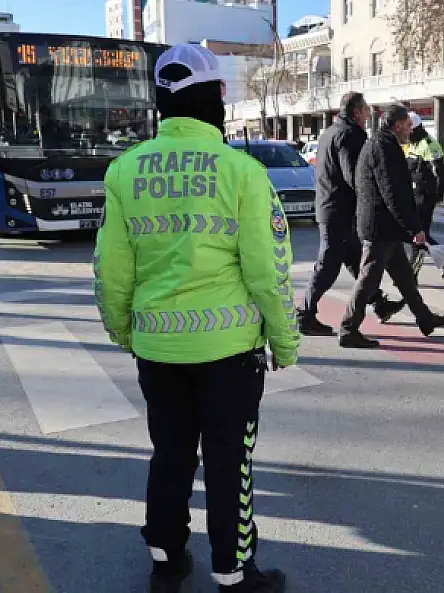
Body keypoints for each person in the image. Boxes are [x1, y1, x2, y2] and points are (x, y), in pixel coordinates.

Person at [93, 43, 296, 593]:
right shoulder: (243, 171)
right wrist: (284, 339)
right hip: (230, 352)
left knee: (172, 450)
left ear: (161, 103)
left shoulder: (125, 171)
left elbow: (112, 268)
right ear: (219, 98)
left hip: (158, 350)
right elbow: (268, 269)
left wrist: (121, 329)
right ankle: (232, 570)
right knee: (231, 459)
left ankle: (165, 553)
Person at [340, 104, 444, 348]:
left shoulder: (381, 144)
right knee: (368, 279)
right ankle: (348, 328)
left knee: (404, 277)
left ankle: (425, 319)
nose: (411, 130)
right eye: (409, 125)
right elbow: (393, 193)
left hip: (385, 226)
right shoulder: (384, 148)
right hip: (379, 227)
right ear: (399, 125)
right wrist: (414, 228)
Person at [297, 92, 405, 336]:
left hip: (332, 207)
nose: (369, 113)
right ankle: (305, 314)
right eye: (366, 108)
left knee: (357, 260)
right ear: (357, 112)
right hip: (340, 210)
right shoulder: (350, 135)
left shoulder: (330, 131)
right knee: (328, 265)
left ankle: (379, 303)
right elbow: (355, 175)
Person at [405, 112, 444, 278]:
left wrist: (437, 195)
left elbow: (441, 173)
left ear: (414, 128)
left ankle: (412, 275)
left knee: (418, 236)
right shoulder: (413, 144)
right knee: (417, 234)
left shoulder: (429, 145)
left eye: (408, 129)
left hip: (425, 197)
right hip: (414, 195)